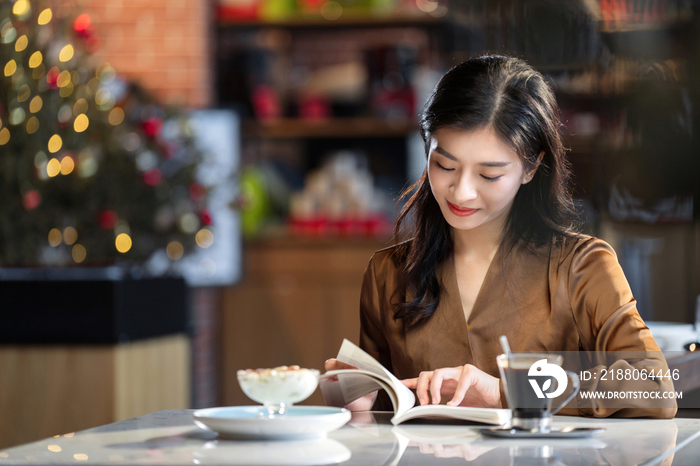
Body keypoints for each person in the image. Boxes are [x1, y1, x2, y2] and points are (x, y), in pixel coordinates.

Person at [325, 55, 677, 418]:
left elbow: (654, 387)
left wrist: (509, 392)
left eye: (489, 175)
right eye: (444, 165)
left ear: (531, 167)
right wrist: (358, 406)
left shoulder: (581, 267)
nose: (461, 192)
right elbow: (386, 417)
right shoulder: (388, 273)